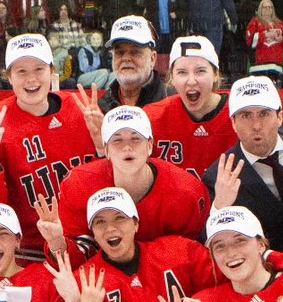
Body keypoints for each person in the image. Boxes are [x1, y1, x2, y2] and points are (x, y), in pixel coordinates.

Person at [0, 34, 101, 259]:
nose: (31, 79)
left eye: (39, 69)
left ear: (52, 71)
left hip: (93, 243)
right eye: (21, 71)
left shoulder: (81, 109)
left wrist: (103, 148)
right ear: (8, 76)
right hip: (31, 255)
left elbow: (113, 183)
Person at [202, 76, 283, 270]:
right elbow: (207, 243)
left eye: (264, 114)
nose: (256, 125)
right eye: (246, 116)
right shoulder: (219, 176)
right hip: (275, 275)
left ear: (279, 117)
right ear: (233, 123)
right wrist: (219, 207)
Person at [55, 105, 210, 247]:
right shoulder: (78, 184)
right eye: (117, 140)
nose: (127, 147)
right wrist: (57, 244)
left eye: (135, 138)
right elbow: (77, 255)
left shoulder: (187, 192)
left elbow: (192, 256)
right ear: (106, 150)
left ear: (149, 146)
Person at [146, 35, 232, 177]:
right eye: (182, 72)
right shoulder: (152, 118)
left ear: (215, 74)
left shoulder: (241, 114)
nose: (191, 81)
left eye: (200, 71)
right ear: (172, 77)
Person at [97, 14, 172, 109]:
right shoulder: (102, 107)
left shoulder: (172, 102)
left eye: (135, 52)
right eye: (119, 52)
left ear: (152, 59)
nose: (126, 58)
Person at [245, 0, 283, 82]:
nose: (268, 9)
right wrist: (265, 35)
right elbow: (249, 40)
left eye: (270, 7)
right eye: (265, 7)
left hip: (276, 64)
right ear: (260, 9)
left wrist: (281, 39)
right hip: (259, 65)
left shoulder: (280, 24)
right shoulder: (254, 22)